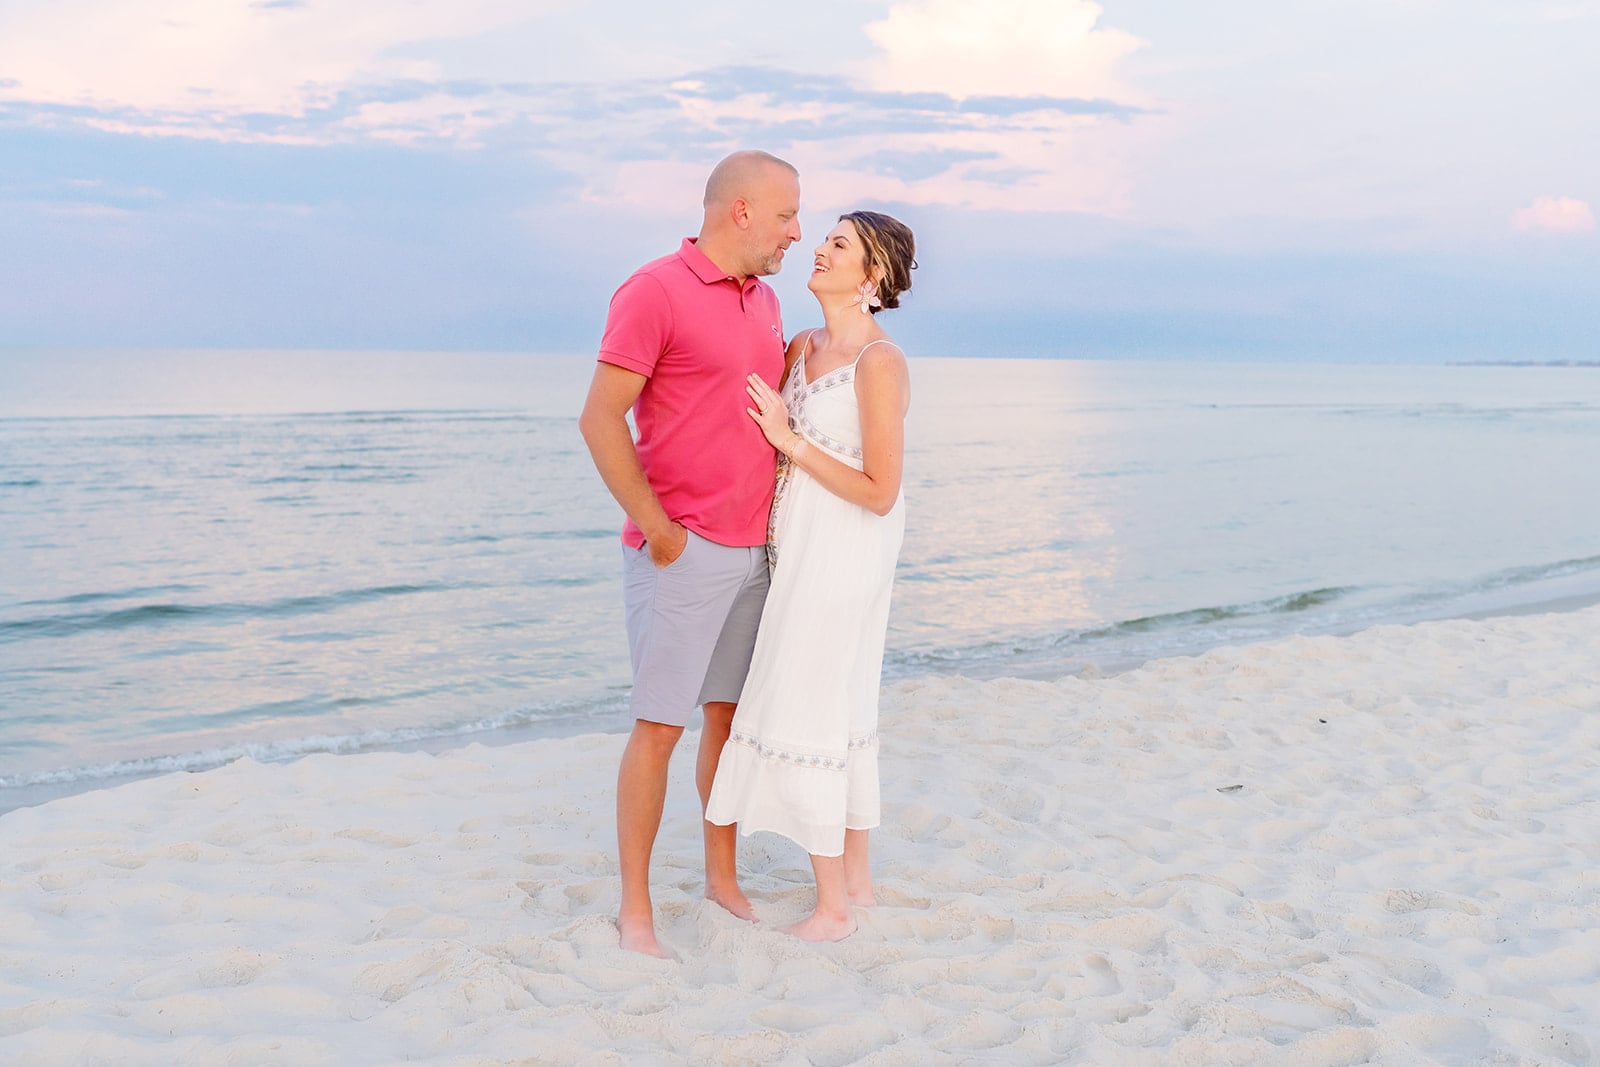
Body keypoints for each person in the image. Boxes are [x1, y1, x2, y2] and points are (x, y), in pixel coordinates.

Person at [578, 150, 802, 958]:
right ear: (740, 210)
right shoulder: (652, 291)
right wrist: (660, 527)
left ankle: (722, 878)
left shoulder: (769, 301)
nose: (796, 231)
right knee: (659, 728)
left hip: (755, 555)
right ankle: (635, 909)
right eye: (785, 215)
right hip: (681, 553)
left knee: (730, 726)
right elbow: (600, 419)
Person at [705, 210, 918, 942]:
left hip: (848, 547)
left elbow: (880, 488)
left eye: (840, 245)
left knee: (813, 702)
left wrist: (790, 439)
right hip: (793, 543)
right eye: (822, 239)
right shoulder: (801, 347)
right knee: (842, 700)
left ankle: (831, 907)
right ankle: (855, 879)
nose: (820, 250)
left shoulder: (880, 363)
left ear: (875, 275)